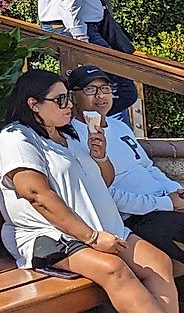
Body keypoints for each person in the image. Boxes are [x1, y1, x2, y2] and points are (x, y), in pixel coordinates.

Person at [0, 70, 176, 313]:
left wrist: (100, 158)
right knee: (115, 270)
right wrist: (91, 237)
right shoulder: (17, 138)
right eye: (59, 100)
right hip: (54, 237)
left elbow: (104, 182)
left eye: (68, 97)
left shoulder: (69, 135)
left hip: (105, 228)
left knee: (159, 262)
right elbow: (37, 195)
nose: (69, 105)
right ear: (33, 104)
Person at [69, 65, 184, 262]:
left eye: (105, 89)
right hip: (138, 218)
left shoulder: (119, 126)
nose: (100, 96)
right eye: (90, 89)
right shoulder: (74, 138)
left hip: (163, 203)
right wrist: (166, 204)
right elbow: (106, 194)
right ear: (72, 97)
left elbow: (147, 166)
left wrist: (176, 191)